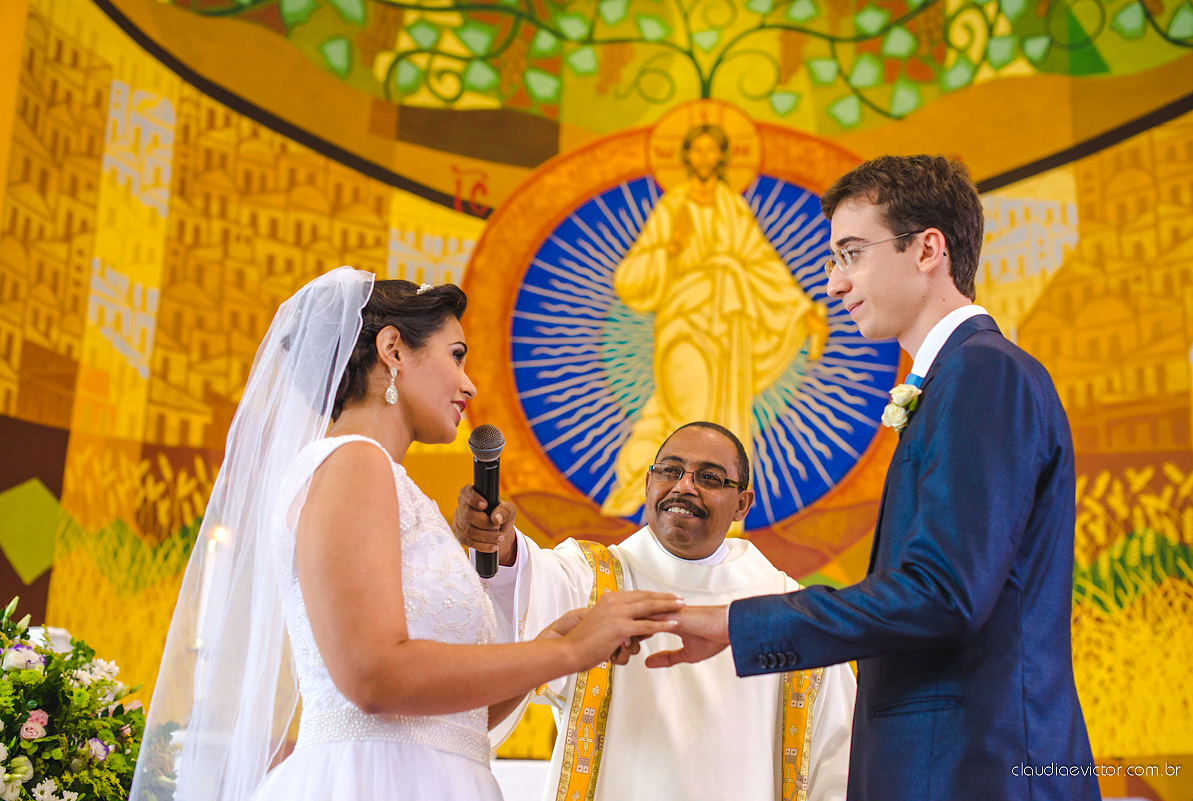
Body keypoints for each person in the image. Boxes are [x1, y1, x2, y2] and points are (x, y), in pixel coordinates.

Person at [129, 267, 683, 801]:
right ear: (393, 349)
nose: (469, 384)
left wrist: (551, 645)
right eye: (456, 355)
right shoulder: (354, 463)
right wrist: (569, 654)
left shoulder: (387, 481)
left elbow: (448, 722)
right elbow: (374, 677)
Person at [645, 156, 1100, 801]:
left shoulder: (982, 374)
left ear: (928, 250)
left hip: (978, 766)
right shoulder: (956, 379)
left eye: (851, 254)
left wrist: (737, 624)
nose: (835, 283)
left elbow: (944, 594)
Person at [455, 421, 855, 801]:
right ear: (647, 483)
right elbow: (531, 586)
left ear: (742, 504)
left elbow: (840, 760)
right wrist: (500, 546)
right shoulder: (598, 579)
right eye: (670, 471)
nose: (684, 487)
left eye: (709, 477)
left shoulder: (788, 613)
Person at [601, 123, 828, 518]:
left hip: (728, 330)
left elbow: (762, 263)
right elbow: (632, 274)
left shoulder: (731, 207)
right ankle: (674, 506)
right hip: (684, 321)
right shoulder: (674, 206)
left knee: (724, 420)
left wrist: (801, 308)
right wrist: (669, 251)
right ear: (687, 156)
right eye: (697, 151)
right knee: (686, 408)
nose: (704, 159)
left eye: (712, 152)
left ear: (720, 158)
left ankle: (717, 516)